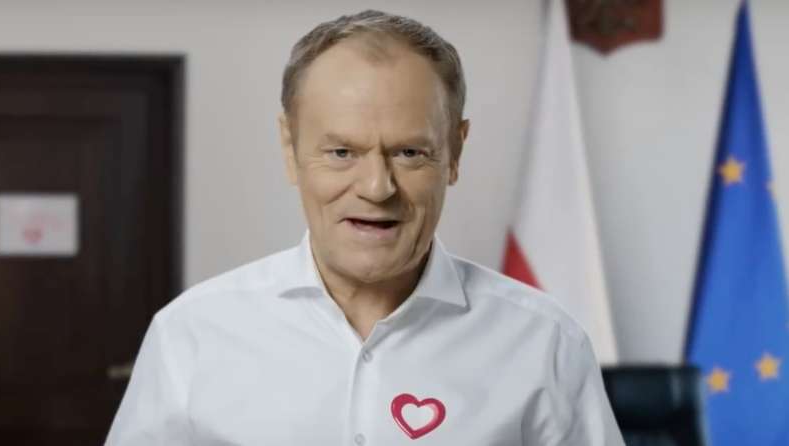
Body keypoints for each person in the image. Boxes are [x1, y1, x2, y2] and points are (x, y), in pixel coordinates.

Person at [105, 10, 624, 445]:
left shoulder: (546, 344)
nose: (377, 187)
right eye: (341, 152)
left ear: (455, 152)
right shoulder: (189, 336)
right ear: (290, 148)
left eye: (409, 152)